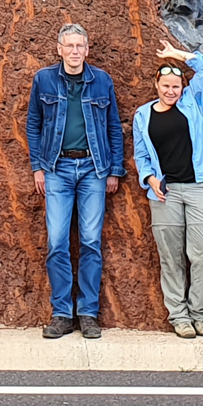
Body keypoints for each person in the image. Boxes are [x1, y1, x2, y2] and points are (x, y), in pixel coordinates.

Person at [25, 23, 124, 339]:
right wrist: (38, 167)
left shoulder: (101, 81)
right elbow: (33, 125)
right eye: (69, 46)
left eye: (80, 46)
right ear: (59, 48)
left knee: (91, 242)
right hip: (57, 169)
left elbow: (113, 128)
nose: (74, 52)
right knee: (57, 242)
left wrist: (114, 170)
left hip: (94, 170)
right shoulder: (44, 79)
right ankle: (62, 313)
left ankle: (88, 313)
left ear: (87, 49)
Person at [131, 34, 203, 338]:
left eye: (175, 86)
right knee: (170, 256)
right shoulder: (143, 115)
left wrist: (177, 54)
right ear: (156, 86)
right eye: (166, 86)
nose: (171, 91)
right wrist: (149, 179)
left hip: (199, 186)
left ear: (182, 88)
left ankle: (200, 313)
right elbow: (141, 155)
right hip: (165, 192)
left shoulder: (192, 102)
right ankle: (179, 316)